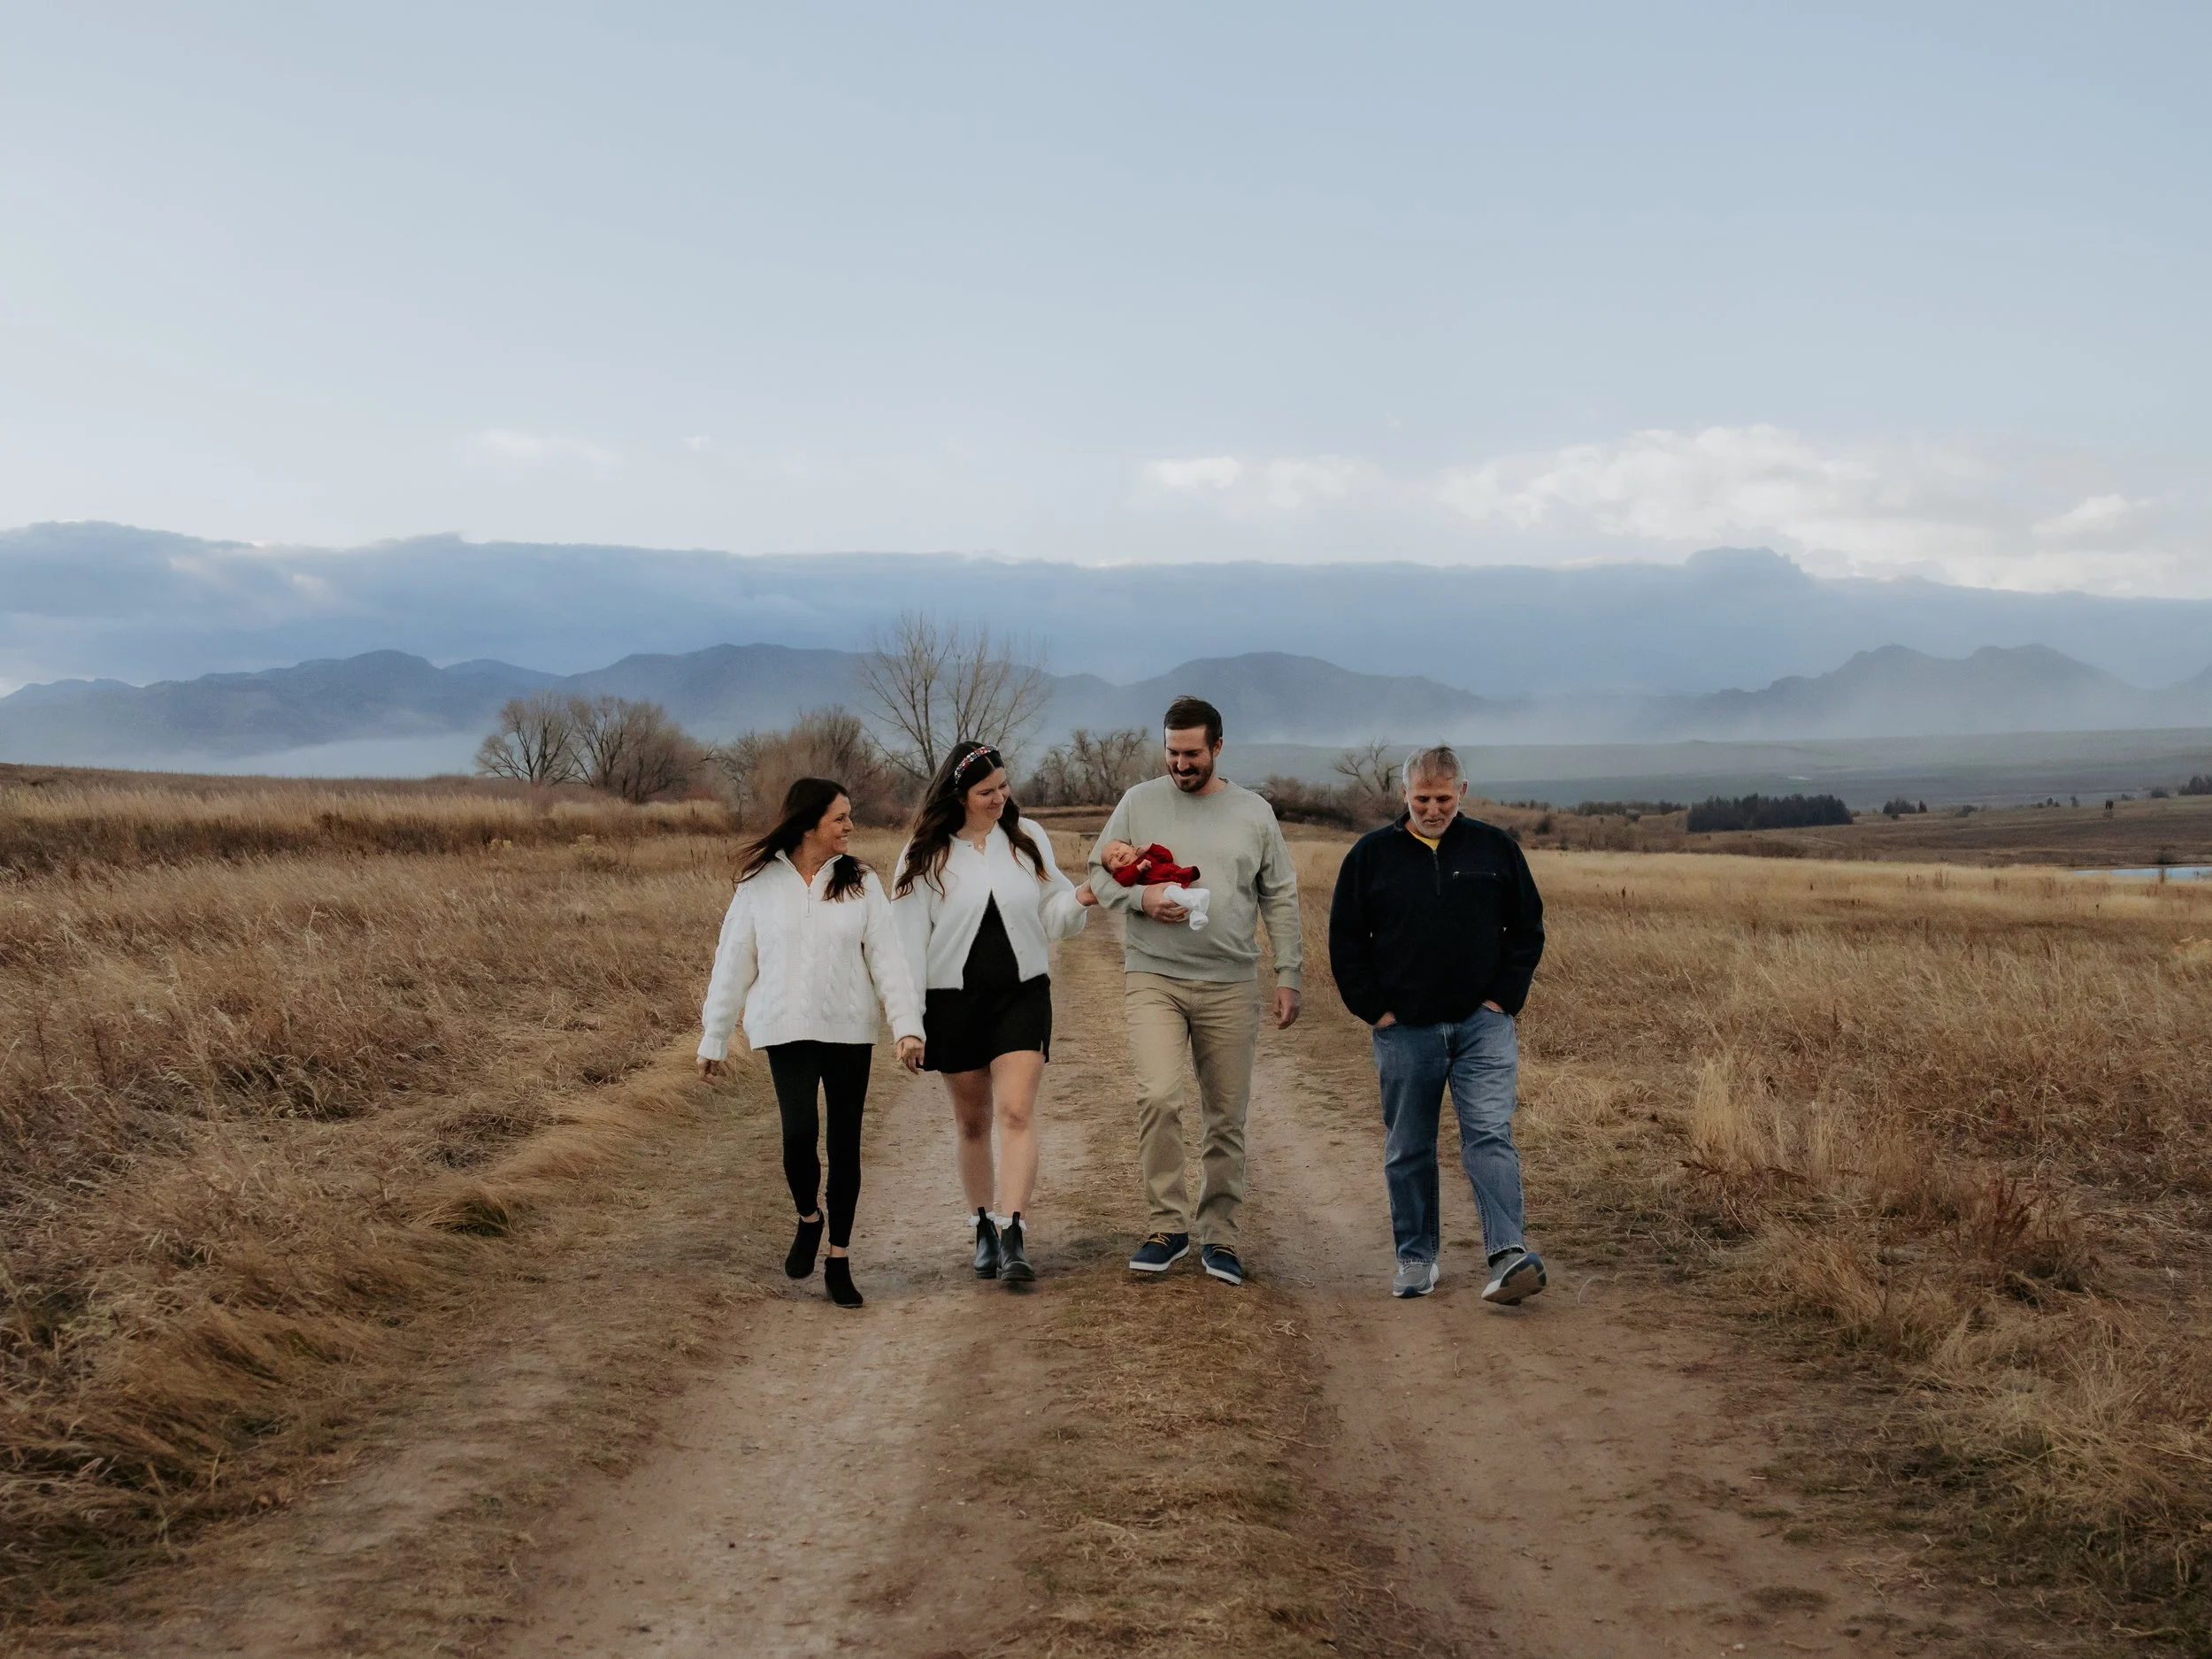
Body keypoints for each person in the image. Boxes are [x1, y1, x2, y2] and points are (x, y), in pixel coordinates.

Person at [1087, 696, 1302, 1286]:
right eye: (1172, 752)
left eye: (1192, 754)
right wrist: (1142, 898)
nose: (1180, 764)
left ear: (1218, 747)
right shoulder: (1138, 802)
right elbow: (1098, 873)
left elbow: (1281, 894)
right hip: (1154, 975)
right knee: (1158, 1096)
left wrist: (1289, 973)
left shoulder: (1254, 813)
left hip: (1230, 982)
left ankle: (1220, 1235)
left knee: (1225, 1116)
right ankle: (1167, 1226)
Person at [1327, 745, 1548, 1303]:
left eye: (1443, 799)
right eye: (1422, 798)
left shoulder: (1496, 848)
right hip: (1405, 1030)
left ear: (1462, 793)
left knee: (1490, 1134)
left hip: (1482, 1026)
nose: (1432, 809)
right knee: (1409, 1146)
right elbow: (1346, 941)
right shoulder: (1371, 855)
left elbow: (1527, 928)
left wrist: (1502, 999)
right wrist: (1376, 1010)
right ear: (1405, 793)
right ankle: (1416, 1258)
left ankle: (1508, 1255)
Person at [697, 777, 925, 1310]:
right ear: (808, 824)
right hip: (785, 1028)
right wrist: (715, 1036)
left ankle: (839, 1259)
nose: (850, 826)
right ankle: (809, 1217)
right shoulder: (758, 884)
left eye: (849, 816)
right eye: (840, 818)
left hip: (849, 1029)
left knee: (844, 1145)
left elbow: (888, 958)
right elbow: (733, 961)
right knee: (798, 1134)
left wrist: (907, 1027)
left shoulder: (861, 881)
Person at [893, 741, 1091, 1285]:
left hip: (1022, 995)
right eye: (986, 791)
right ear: (959, 795)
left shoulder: (1027, 840)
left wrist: (1081, 898)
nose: (1000, 797)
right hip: (952, 1004)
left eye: (1003, 785)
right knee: (973, 1121)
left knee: (1017, 1112)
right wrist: (907, 1026)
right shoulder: (923, 855)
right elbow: (905, 946)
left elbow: (1055, 912)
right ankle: (982, 1226)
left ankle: (1014, 1231)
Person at [1096, 838, 1211, 929]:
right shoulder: (1121, 873)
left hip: (1174, 874)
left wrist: (1151, 847)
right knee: (1173, 892)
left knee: (1184, 892)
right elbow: (1126, 879)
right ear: (1113, 871)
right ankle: (1197, 908)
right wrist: (1138, 868)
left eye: (1118, 848)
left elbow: (1167, 857)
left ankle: (1199, 905)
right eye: (1111, 859)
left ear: (1132, 848)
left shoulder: (1146, 855)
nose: (1116, 854)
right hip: (1163, 887)